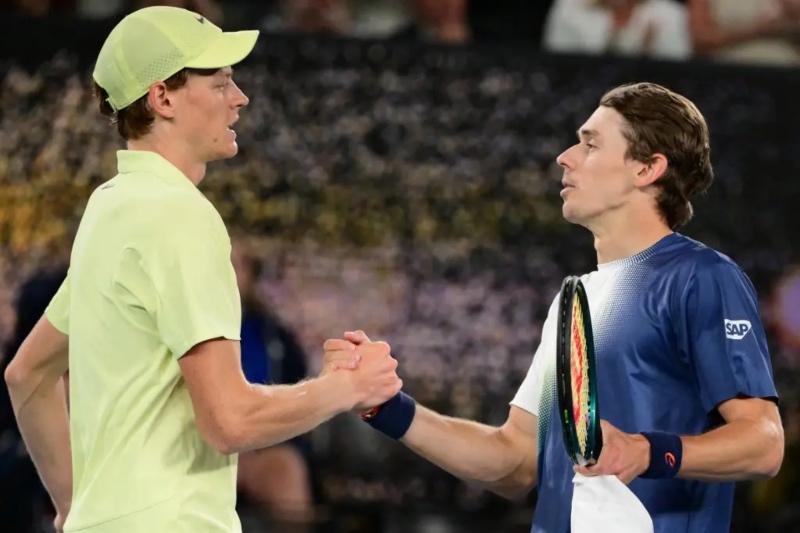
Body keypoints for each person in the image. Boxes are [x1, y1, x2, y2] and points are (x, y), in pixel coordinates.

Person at [3, 6, 401, 533]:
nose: (240, 98)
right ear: (162, 98)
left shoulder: (112, 206)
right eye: (220, 83)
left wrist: (76, 508)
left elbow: (28, 374)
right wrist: (345, 388)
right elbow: (229, 421)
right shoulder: (180, 216)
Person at [324, 82, 785, 532]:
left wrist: (648, 451)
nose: (565, 157)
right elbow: (514, 461)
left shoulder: (702, 277)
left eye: (590, 144)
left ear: (647, 169)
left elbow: (764, 444)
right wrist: (387, 407)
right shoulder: (573, 299)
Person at [230, 238, 316, 532]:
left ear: (250, 275)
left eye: (235, 265)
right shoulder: (175, 327)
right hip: (194, 446)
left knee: (286, 471)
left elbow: (299, 404)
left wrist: (254, 447)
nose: (226, 275)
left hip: (261, 446)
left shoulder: (275, 338)